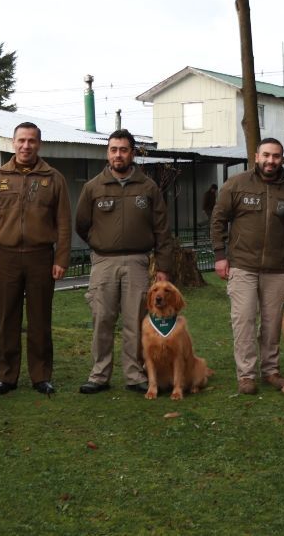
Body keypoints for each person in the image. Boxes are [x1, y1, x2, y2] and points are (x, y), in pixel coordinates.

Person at [75, 129, 174, 395]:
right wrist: (100, 244)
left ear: (133, 153)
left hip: (137, 262)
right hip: (104, 263)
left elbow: (162, 230)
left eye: (123, 149)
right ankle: (99, 375)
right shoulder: (93, 187)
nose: (118, 154)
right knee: (102, 319)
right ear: (108, 153)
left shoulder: (148, 187)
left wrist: (163, 268)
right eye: (113, 149)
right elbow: (81, 225)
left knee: (135, 320)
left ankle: (134, 374)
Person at [0, 122, 71, 396]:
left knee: (40, 318)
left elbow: (63, 223)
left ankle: (41, 375)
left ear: (39, 144)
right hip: (5, 257)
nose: (26, 146)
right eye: (21, 140)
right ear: (13, 142)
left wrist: (61, 259)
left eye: (31, 141)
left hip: (41, 256)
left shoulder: (54, 179)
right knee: (8, 318)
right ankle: (6, 376)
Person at [210, 138, 284, 395]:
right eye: (266, 155)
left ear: (281, 159)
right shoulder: (237, 184)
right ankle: (246, 375)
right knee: (244, 321)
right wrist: (220, 255)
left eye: (276, 156)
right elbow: (218, 219)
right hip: (243, 266)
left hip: (276, 270)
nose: (270, 160)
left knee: (272, 323)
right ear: (256, 156)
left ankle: (271, 371)